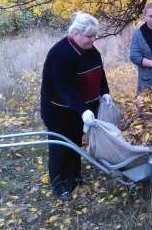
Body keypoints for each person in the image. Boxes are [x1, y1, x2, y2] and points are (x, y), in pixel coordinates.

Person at [41, 12, 113, 201]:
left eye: (95, 35)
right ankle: (59, 184)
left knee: (76, 143)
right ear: (75, 33)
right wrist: (83, 110)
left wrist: (105, 92)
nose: (93, 39)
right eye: (90, 36)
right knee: (60, 146)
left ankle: (75, 178)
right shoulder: (60, 54)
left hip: (79, 111)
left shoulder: (91, 51)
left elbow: (100, 73)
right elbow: (66, 89)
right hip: (58, 111)